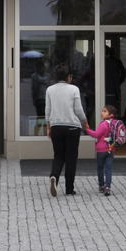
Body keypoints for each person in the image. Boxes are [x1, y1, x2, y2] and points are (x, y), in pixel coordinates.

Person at [44, 63, 88, 197]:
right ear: (69, 77)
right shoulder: (74, 89)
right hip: (72, 127)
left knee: (58, 155)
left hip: (56, 126)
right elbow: (78, 109)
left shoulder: (50, 90)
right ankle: (69, 189)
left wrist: (48, 125)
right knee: (71, 158)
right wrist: (84, 121)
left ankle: (54, 176)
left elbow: (47, 109)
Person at [83, 104, 122, 196]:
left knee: (100, 167)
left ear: (110, 115)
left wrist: (87, 130)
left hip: (101, 150)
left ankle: (101, 185)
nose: (102, 113)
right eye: (102, 111)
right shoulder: (114, 124)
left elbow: (96, 134)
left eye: (105, 111)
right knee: (108, 168)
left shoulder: (104, 124)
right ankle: (108, 187)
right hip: (111, 148)